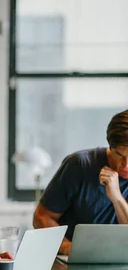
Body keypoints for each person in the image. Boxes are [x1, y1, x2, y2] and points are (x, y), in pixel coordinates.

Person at [33, 109, 128, 255]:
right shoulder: (79, 165)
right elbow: (41, 217)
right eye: (120, 155)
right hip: (73, 264)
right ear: (110, 146)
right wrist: (67, 247)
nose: (126, 165)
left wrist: (116, 197)